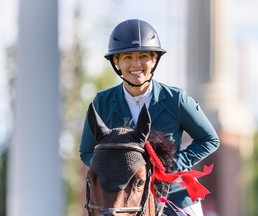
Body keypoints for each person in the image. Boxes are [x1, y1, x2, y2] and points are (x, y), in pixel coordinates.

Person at [79, 19, 220, 216]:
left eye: (143, 56)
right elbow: (86, 151)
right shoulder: (101, 103)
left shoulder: (177, 100)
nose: (136, 64)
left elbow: (210, 139)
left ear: (154, 60)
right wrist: (112, 167)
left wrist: (172, 165)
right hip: (121, 200)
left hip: (173, 195)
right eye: (127, 57)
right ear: (116, 62)